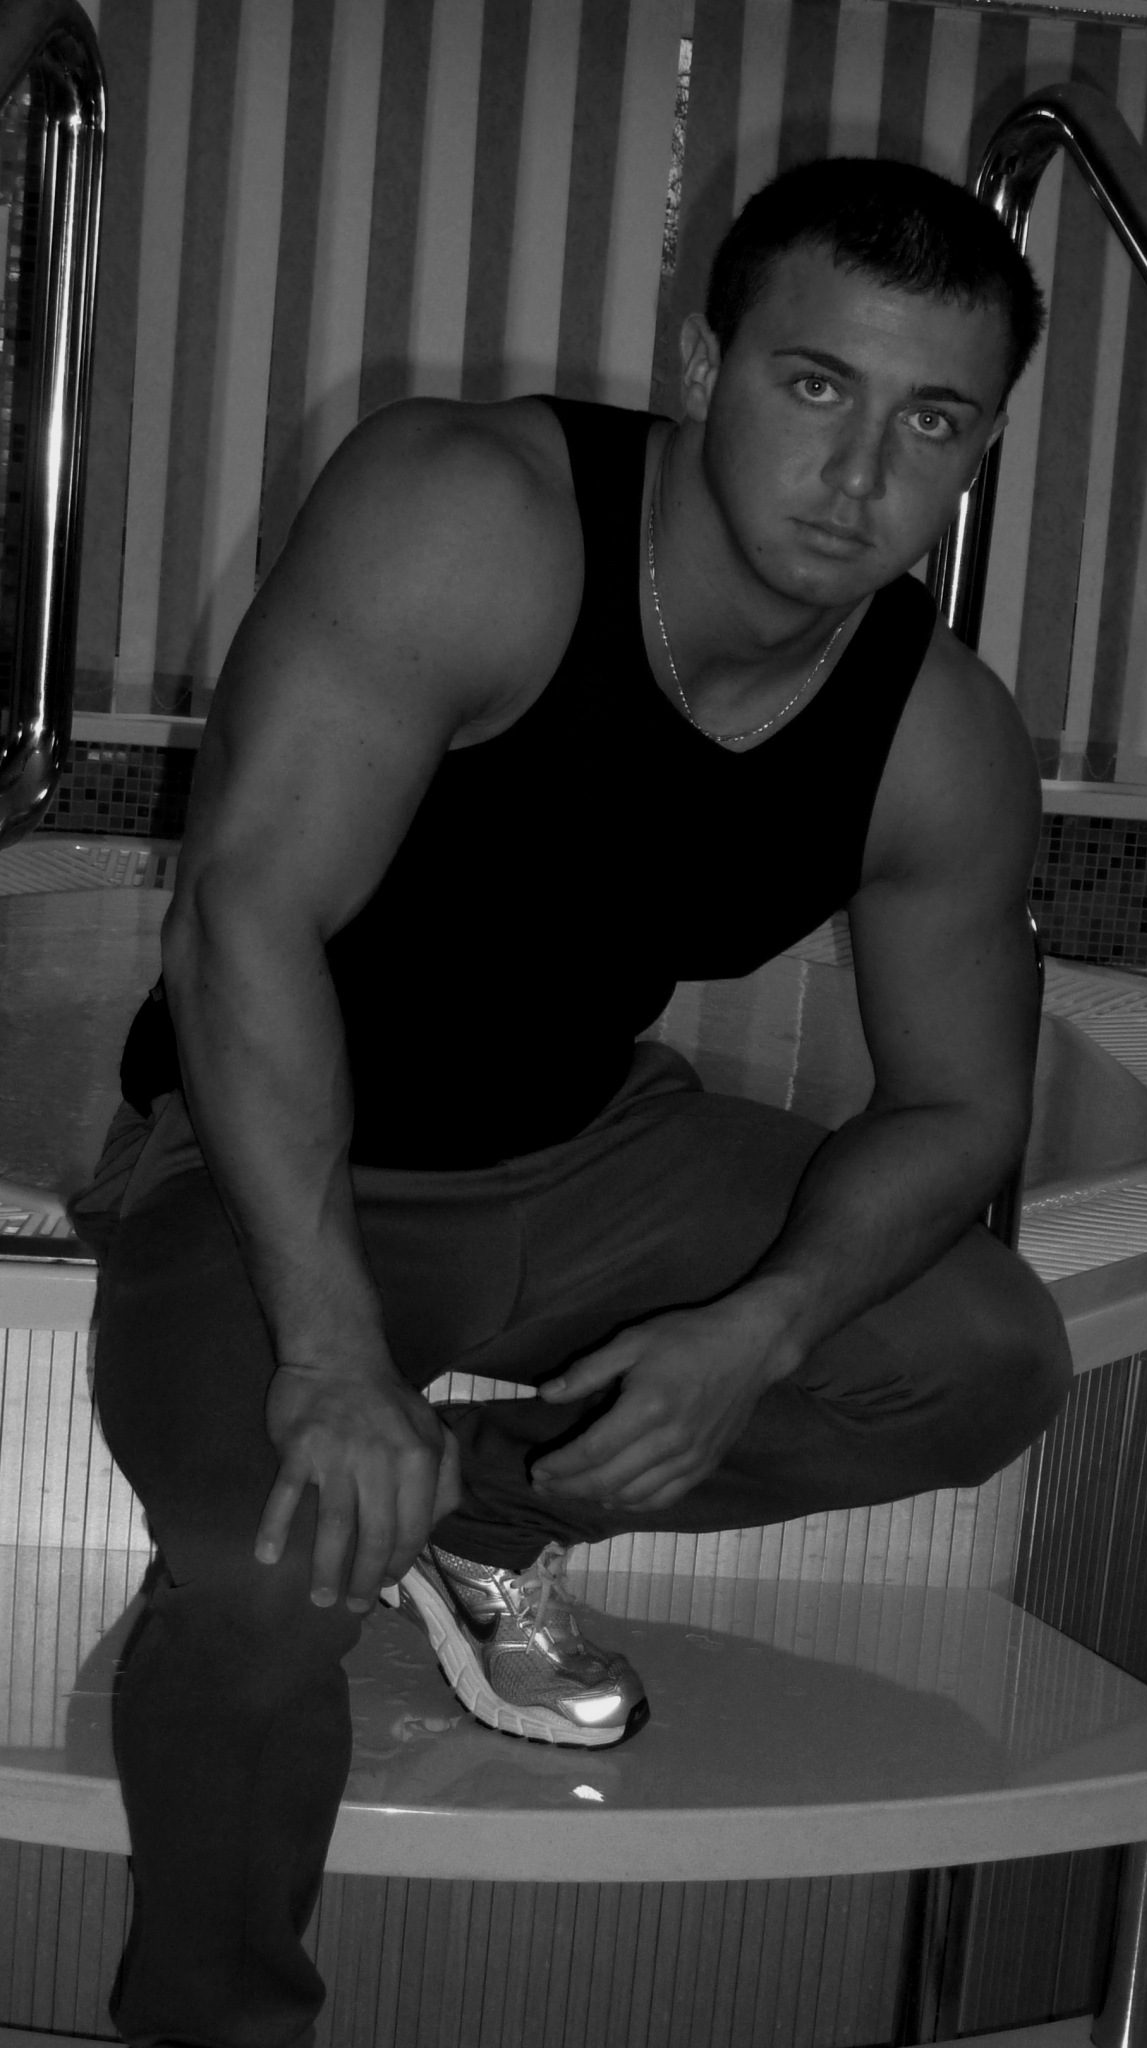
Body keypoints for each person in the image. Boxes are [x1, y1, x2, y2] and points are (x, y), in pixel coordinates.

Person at [72, 156, 1072, 2046]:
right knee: (274, 1580)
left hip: (588, 1146)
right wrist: (331, 1358)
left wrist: (761, 1327)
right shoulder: (471, 514)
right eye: (814, 384)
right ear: (704, 366)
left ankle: (480, 1515)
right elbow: (243, 919)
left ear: (980, 447)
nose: (860, 474)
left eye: (931, 420)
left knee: (983, 1355)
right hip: (271, 1158)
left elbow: (961, 1111)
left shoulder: (938, 733)